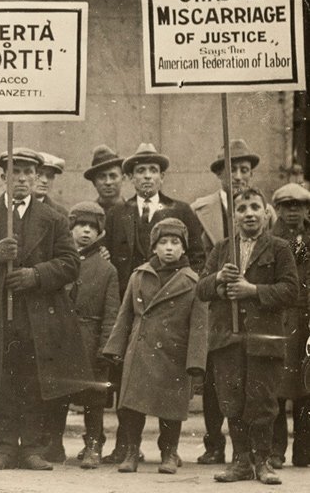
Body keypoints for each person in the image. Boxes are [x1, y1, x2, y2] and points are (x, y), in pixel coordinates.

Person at [0, 148, 87, 471]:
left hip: (40, 316)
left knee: (35, 380)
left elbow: (71, 264)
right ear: (3, 178)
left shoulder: (55, 220)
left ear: (37, 177)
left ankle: (33, 448)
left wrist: (36, 275)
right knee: (5, 381)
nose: (22, 179)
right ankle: (7, 446)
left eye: (28, 173)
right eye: (15, 172)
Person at [102, 142, 204, 463]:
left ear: (162, 176)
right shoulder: (118, 213)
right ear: (130, 177)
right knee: (129, 383)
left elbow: (199, 257)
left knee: (166, 388)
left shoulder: (181, 210)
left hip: (173, 309)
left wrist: (184, 287)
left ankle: (167, 451)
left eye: (154, 171)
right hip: (135, 307)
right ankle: (125, 447)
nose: (147, 177)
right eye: (140, 171)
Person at [197, 188, 298, 485]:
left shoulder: (279, 248)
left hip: (263, 340)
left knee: (262, 401)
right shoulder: (221, 249)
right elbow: (201, 290)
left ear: (267, 213)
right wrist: (218, 280)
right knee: (232, 400)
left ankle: (263, 462)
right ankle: (241, 462)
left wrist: (252, 291)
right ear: (235, 216)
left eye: (255, 207)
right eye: (242, 209)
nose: (249, 213)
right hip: (228, 339)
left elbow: (291, 291)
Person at [190, 139, 275, 464]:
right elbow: (200, 262)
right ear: (219, 174)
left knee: (256, 387)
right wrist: (219, 284)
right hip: (219, 310)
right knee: (218, 380)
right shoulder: (202, 210)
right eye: (231, 170)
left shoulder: (262, 210)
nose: (238, 176)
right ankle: (216, 445)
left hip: (253, 311)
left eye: (244, 170)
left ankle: (260, 454)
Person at [49, 202, 119, 469]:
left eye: (92, 227)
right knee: (58, 394)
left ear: (100, 232)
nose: (86, 232)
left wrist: (106, 348)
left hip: (91, 342)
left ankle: (93, 445)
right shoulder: (58, 261)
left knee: (94, 400)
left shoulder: (107, 269)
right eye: (81, 225)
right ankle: (53, 444)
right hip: (60, 339)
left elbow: (112, 312)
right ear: (71, 228)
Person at [269, 183, 310, 468]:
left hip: (307, 321)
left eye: (298, 206)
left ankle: (304, 450)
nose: (292, 212)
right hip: (280, 319)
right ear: (278, 210)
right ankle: (276, 450)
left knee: (306, 388)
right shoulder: (270, 240)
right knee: (277, 388)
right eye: (286, 206)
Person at [83, 145, 125, 214]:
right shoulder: (88, 214)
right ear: (94, 182)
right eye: (102, 177)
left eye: (113, 176)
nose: (108, 182)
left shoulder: (135, 212)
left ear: (123, 179)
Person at [34, 152, 67, 216]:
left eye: (49, 176)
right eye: (39, 174)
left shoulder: (60, 214)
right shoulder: (12, 207)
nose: (45, 180)